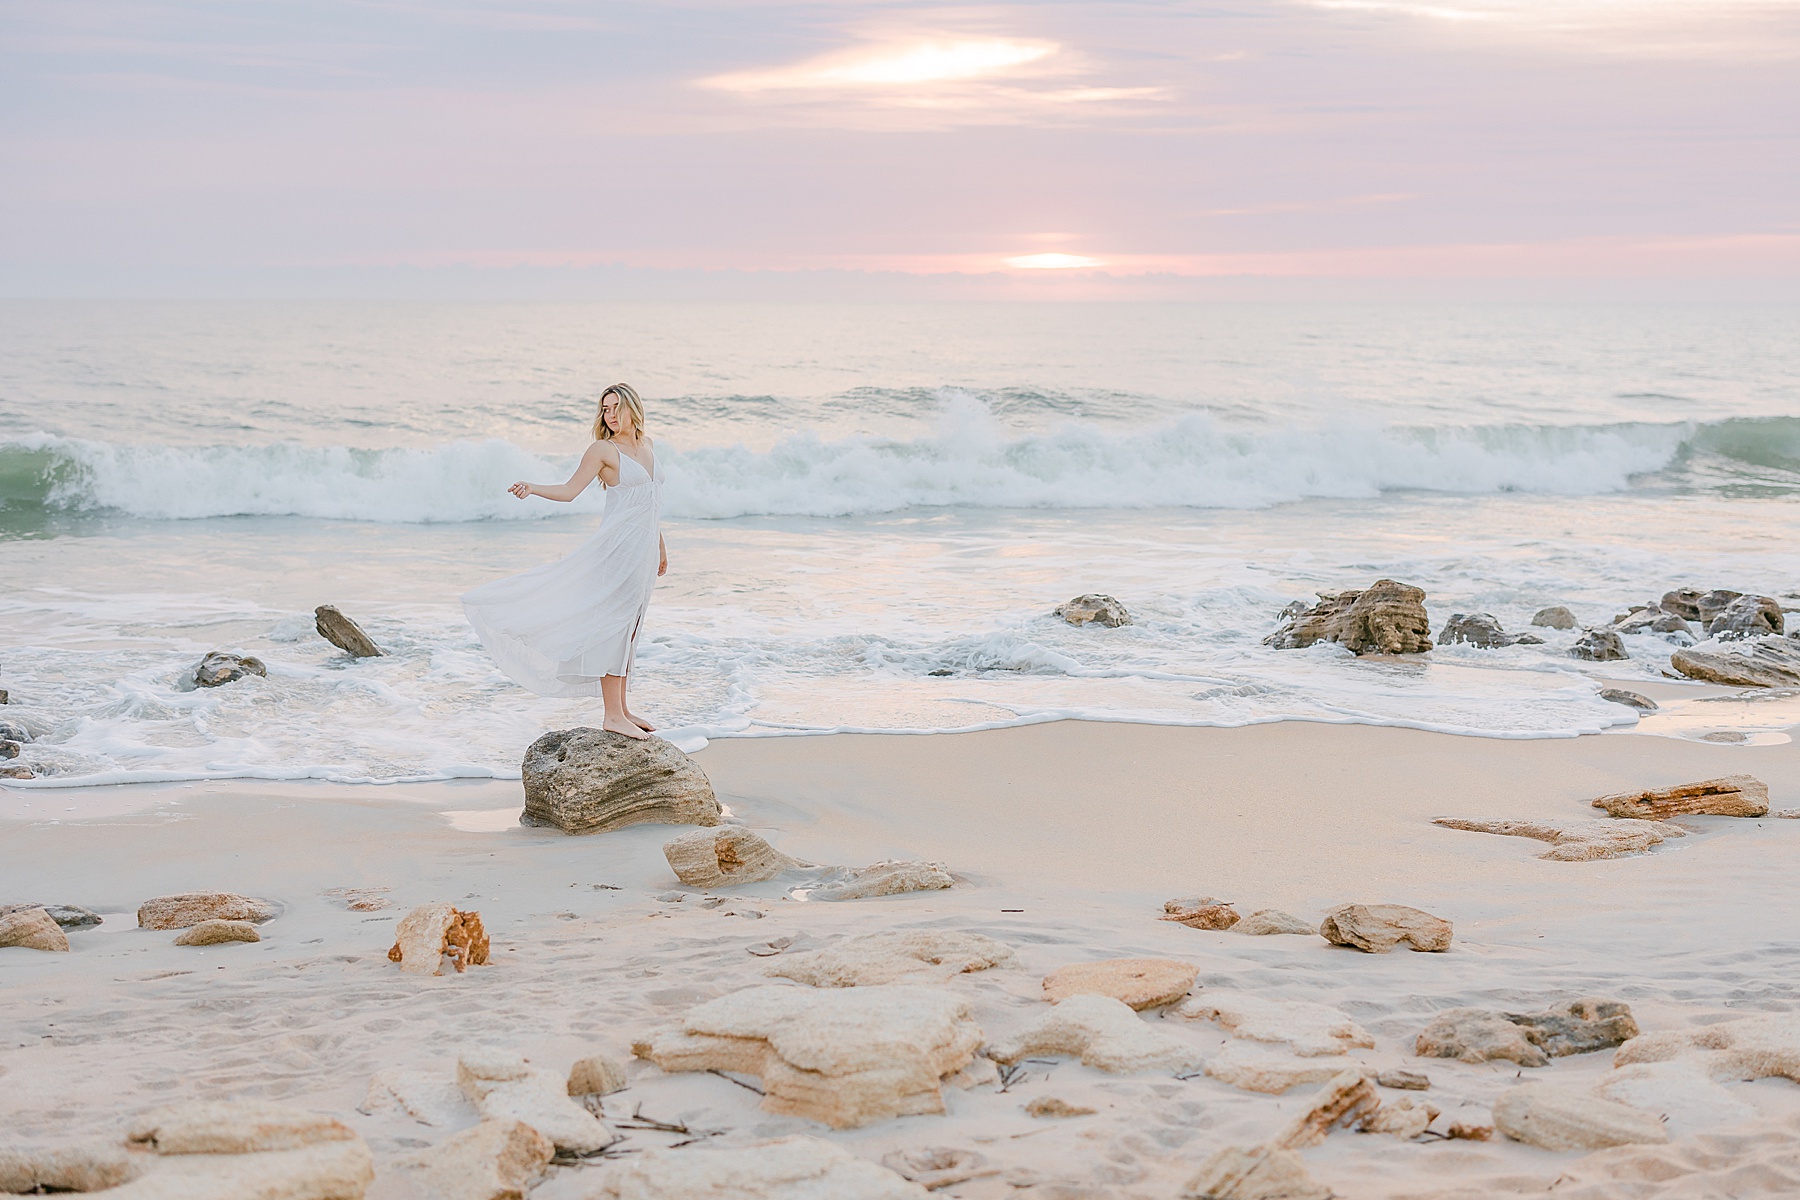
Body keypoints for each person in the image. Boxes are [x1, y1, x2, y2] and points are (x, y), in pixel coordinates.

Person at [462, 383, 667, 739]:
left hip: (643, 552)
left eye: (617, 407)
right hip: (616, 553)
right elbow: (570, 491)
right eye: (605, 409)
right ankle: (612, 715)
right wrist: (534, 487)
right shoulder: (603, 450)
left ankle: (623, 708)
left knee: (631, 627)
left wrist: (660, 546)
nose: (611, 415)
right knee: (613, 628)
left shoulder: (648, 446)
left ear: (635, 408)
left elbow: (650, 503)